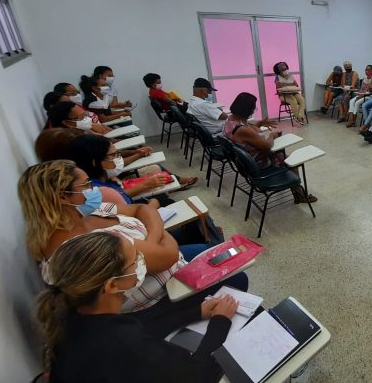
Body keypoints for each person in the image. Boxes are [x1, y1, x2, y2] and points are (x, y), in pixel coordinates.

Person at [18, 161, 247, 331]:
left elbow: (141, 209)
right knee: (238, 277)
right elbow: (168, 254)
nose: (93, 189)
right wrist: (159, 238)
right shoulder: (86, 248)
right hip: (163, 295)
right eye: (86, 184)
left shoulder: (84, 213)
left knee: (224, 251)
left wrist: (151, 240)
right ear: (62, 197)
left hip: (164, 255)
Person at [34, 231, 238, 382]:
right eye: (135, 261)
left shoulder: (72, 315)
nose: (142, 262)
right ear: (112, 285)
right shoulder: (123, 344)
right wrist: (220, 322)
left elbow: (142, 328)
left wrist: (196, 312)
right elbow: (200, 376)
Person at [225, 93, 317, 204]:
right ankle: (300, 195)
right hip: (258, 164)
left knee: (283, 155)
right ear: (247, 109)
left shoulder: (230, 120)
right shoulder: (241, 129)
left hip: (245, 163)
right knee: (292, 161)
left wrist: (259, 124)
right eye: (253, 108)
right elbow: (267, 145)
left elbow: (251, 131)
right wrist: (272, 136)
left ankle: (296, 191)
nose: (254, 110)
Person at [67, 134, 198, 207]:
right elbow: (123, 203)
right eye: (113, 155)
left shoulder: (100, 177)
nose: (118, 158)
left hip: (131, 205)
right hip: (137, 216)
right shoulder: (95, 191)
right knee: (163, 199)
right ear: (95, 162)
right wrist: (149, 195)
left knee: (160, 188)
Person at [55, 82, 129, 123]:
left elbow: (108, 112)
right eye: (73, 93)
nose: (77, 95)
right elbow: (102, 119)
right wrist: (121, 114)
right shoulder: (92, 100)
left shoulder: (79, 106)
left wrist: (122, 111)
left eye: (77, 92)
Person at [47, 102, 112, 136]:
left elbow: (107, 132)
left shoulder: (81, 129)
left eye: (85, 114)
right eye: (81, 116)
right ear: (67, 122)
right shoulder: (72, 140)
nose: (86, 118)